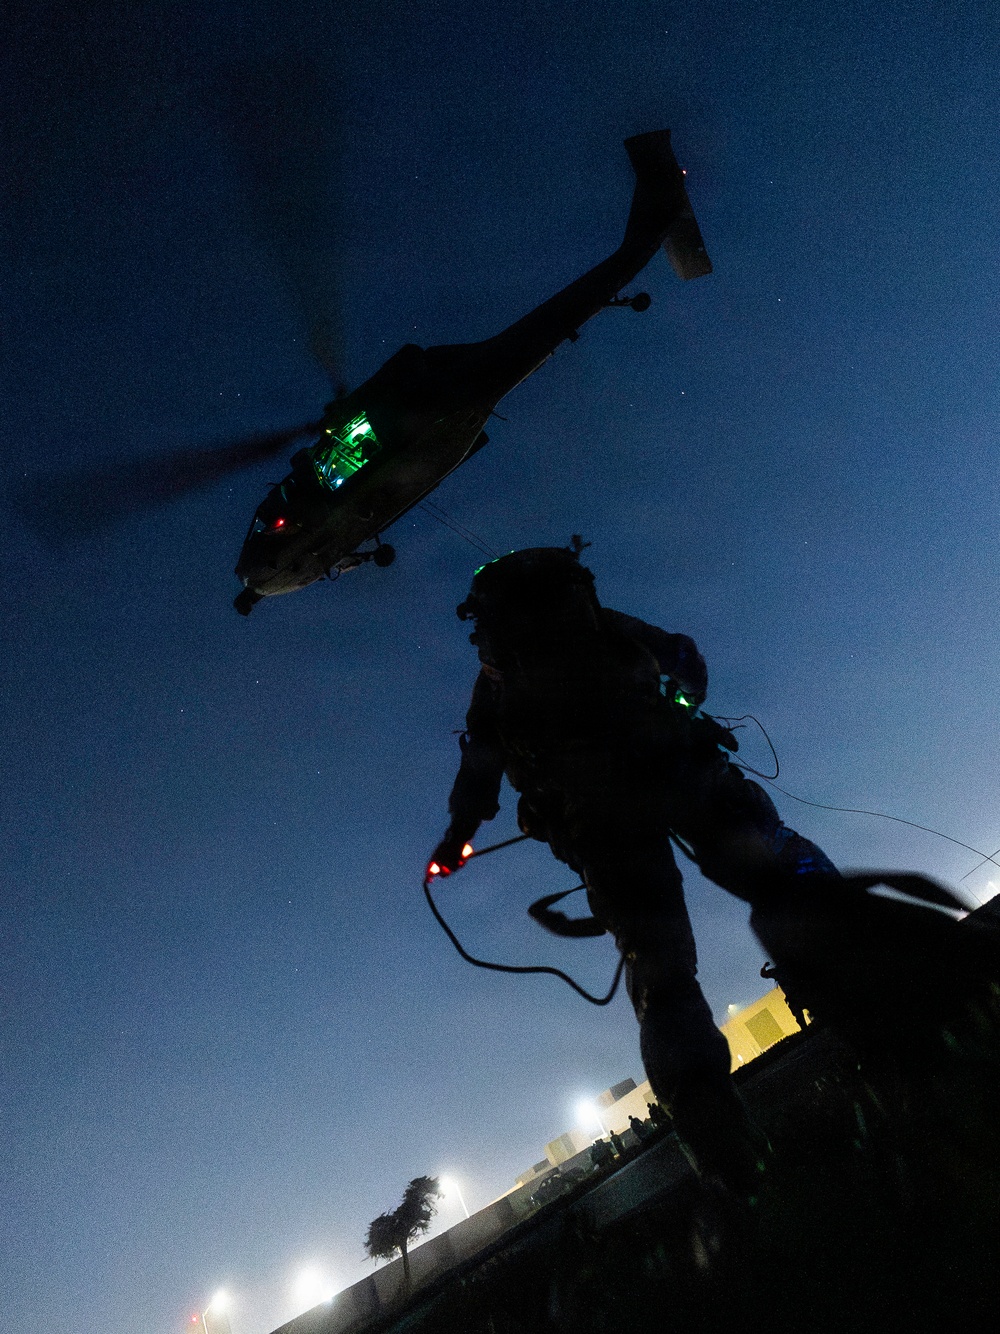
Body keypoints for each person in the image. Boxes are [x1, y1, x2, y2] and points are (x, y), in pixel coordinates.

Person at [428, 545, 839, 1192]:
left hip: (600, 824)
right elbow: (684, 657)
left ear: (485, 621)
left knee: (663, 977)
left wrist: (455, 841)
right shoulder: (605, 626)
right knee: (785, 879)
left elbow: (480, 769)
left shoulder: (496, 682)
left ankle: (729, 1160)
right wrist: (680, 710)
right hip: (680, 770)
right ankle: (882, 997)